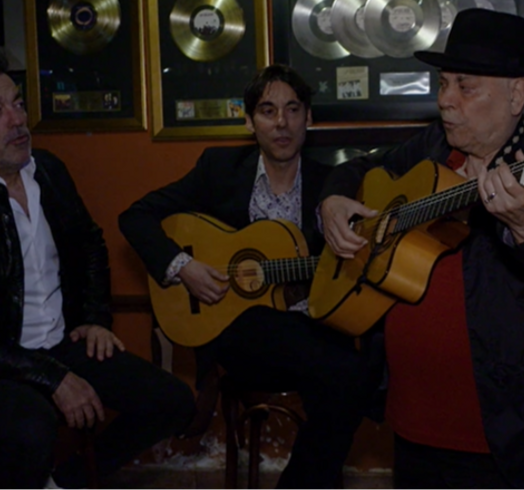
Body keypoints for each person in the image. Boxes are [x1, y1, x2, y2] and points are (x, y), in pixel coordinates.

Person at [319, 8, 524, 490]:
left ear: (517, 93)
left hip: (504, 436)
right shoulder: (432, 146)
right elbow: (364, 167)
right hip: (409, 420)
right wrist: (330, 200)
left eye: (465, 87)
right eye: (444, 83)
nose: (446, 101)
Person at [0, 45, 194, 490]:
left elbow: (91, 243)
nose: (17, 120)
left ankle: (64, 484)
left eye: (17, 104)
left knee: (172, 401)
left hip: (62, 342)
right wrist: (53, 379)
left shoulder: (50, 171)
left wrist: (95, 319)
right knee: (31, 430)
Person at [118, 64, 374, 490]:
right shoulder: (218, 169)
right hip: (234, 332)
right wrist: (185, 267)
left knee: (340, 380)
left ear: (308, 117)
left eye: (293, 110)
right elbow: (136, 217)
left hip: (311, 333)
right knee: (351, 373)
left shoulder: (331, 183)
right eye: (268, 110)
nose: (281, 123)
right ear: (249, 119)